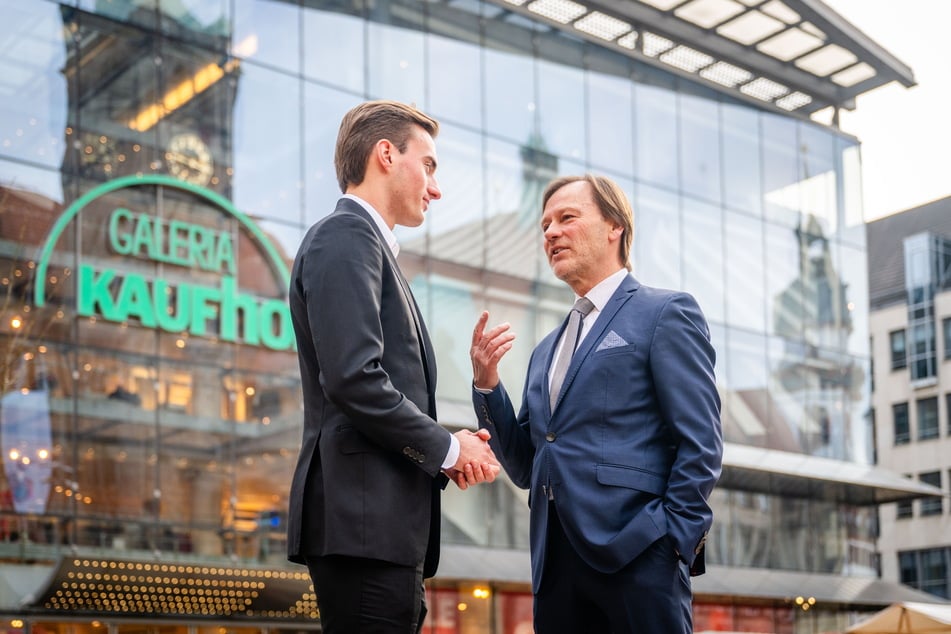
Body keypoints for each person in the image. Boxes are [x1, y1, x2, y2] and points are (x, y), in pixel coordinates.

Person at [470, 174, 722, 633]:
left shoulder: (666, 312)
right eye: (545, 225)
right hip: (556, 568)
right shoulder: (546, 348)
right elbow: (529, 465)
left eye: (567, 218)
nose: (550, 232)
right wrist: (487, 387)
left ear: (615, 227)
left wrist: (673, 542)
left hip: (640, 554)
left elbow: (701, 443)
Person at [287, 100, 501, 634]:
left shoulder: (367, 248)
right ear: (386, 154)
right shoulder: (346, 237)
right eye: (428, 165)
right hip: (363, 529)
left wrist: (442, 448)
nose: (436, 187)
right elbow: (355, 379)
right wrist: (450, 448)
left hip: (375, 530)